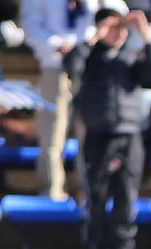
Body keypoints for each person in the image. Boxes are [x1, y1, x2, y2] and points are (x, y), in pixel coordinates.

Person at [68, 6, 151, 249]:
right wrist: (93, 39)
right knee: (96, 197)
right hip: (98, 135)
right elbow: (71, 67)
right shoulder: (90, 57)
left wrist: (147, 38)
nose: (119, 33)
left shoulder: (131, 56)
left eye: (122, 28)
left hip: (130, 135)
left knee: (126, 197)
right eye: (112, 28)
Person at [21, 0, 104, 201]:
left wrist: (89, 43)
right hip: (54, 64)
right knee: (52, 132)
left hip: (90, 66)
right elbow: (30, 25)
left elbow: (115, 15)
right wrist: (58, 45)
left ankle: (89, 191)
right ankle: (53, 190)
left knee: (89, 133)